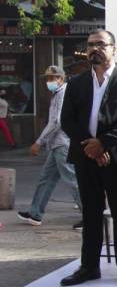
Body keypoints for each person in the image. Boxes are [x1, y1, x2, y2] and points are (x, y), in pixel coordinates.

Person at [59, 29, 117, 287]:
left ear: (114, 49)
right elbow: (67, 120)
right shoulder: (75, 83)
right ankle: (89, 267)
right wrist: (91, 146)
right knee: (92, 214)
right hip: (86, 158)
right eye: (90, 45)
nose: (94, 49)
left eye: (100, 44)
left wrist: (104, 143)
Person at [17, 66, 83, 229]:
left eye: (52, 78)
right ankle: (35, 213)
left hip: (63, 144)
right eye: (47, 79)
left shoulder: (63, 94)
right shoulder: (57, 94)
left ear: (61, 79)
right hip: (57, 144)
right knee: (46, 179)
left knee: (72, 180)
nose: (49, 82)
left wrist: (39, 142)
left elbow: (56, 122)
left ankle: (91, 215)